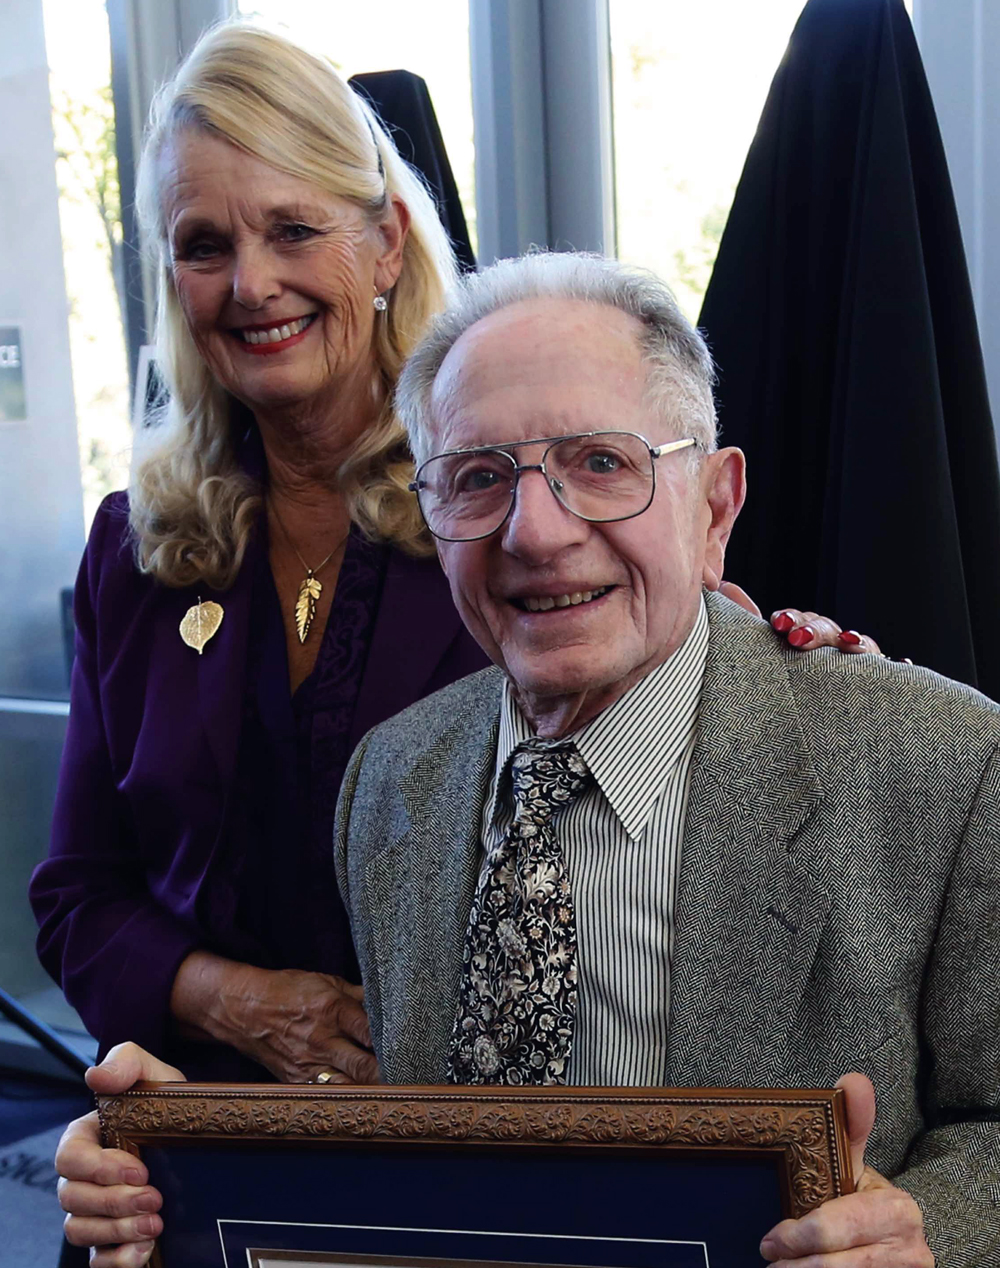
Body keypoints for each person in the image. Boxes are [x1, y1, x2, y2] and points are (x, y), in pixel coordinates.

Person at [335, 253, 998, 1263]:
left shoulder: (946, 766)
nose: (538, 531)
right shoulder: (389, 778)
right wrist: (166, 1175)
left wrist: (927, 1230)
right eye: (479, 478)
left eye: (600, 463)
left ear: (714, 507)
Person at [27, 19, 490, 1092]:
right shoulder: (134, 546)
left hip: (454, 1140)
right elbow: (77, 899)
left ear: (384, 243)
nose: (250, 284)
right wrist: (233, 999)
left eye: (292, 229)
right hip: (188, 1135)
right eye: (204, 245)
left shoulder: (504, 511)